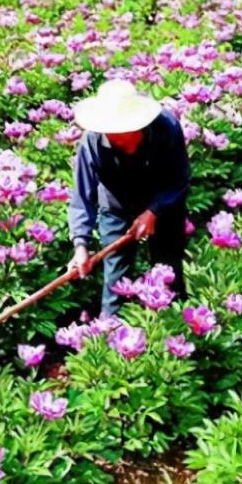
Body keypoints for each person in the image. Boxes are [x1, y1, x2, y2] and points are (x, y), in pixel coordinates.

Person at [68, 79, 190, 316]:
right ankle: (110, 336)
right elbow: (83, 197)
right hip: (116, 207)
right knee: (115, 282)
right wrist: (80, 245)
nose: (120, 139)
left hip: (165, 204)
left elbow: (179, 179)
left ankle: (176, 332)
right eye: (113, 133)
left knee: (168, 271)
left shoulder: (166, 127)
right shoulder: (92, 142)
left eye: (125, 131)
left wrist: (154, 211)